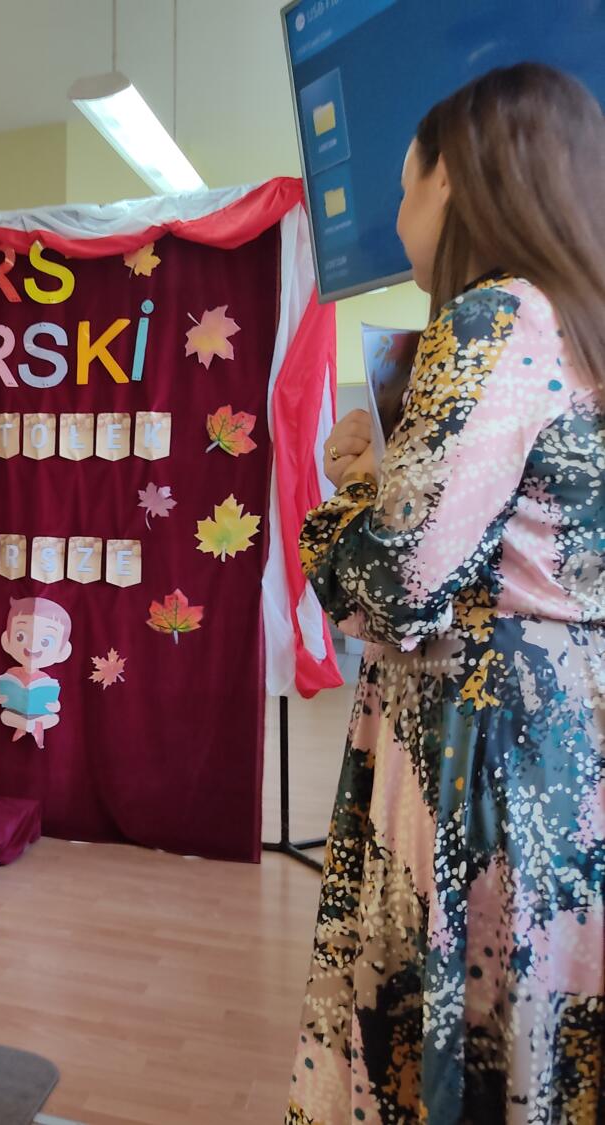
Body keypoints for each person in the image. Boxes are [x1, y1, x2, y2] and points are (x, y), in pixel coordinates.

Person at [289, 63, 605, 1124]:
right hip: (569, 736)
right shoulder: (582, 322)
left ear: (455, 182)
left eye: (404, 186)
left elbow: (401, 588)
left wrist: (339, 506)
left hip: (480, 745)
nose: (396, 215)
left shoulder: (494, 318)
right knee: (539, 1044)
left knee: (447, 1048)